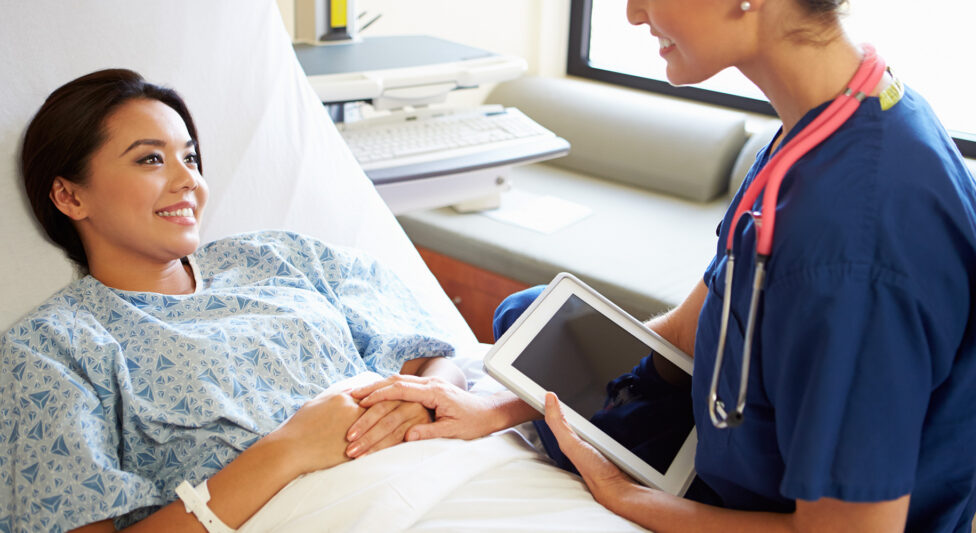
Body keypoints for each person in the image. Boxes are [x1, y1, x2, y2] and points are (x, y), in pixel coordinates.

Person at [346, 0, 976, 530]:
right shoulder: (833, 115)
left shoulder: (852, 248)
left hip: (773, 496)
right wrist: (507, 404)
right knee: (529, 317)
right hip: (729, 444)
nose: (632, 11)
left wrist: (634, 502)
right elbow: (692, 328)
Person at [0, 69, 466, 532]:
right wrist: (287, 450)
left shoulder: (278, 257)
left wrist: (420, 405)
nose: (189, 182)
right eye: (151, 159)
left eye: (190, 157)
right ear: (70, 197)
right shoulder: (52, 353)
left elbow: (436, 357)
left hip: (456, 475)